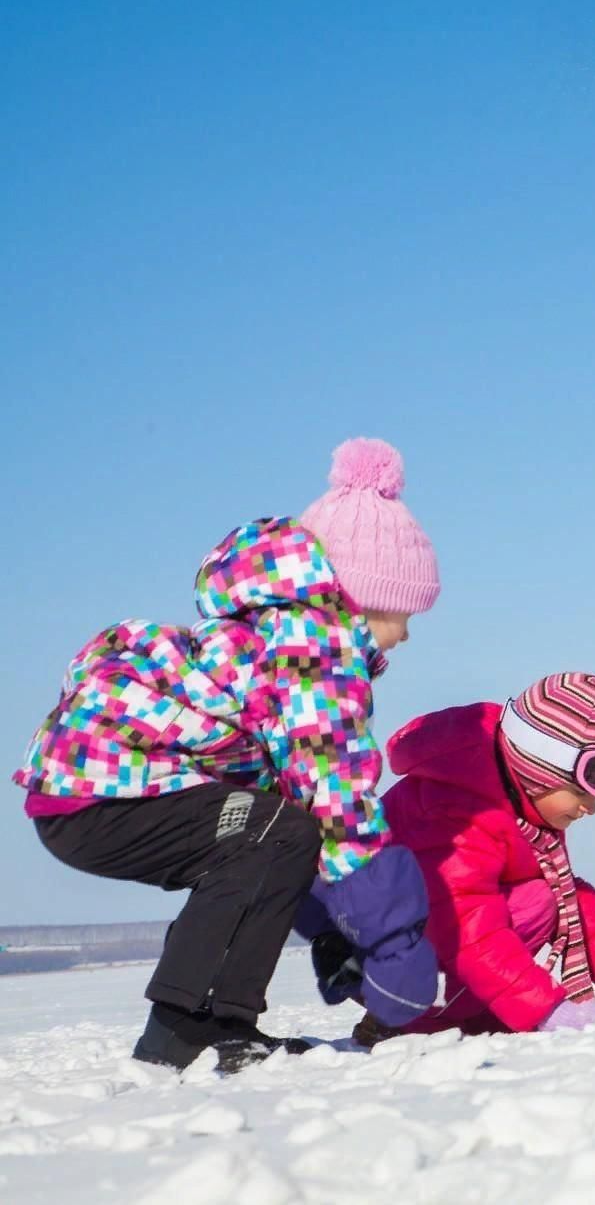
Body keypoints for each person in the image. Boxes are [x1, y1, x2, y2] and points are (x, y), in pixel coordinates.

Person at [15, 438, 441, 1071]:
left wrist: (331, 933)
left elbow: (295, 831)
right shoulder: (312, 650)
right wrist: (395, 949)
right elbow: (340, 803)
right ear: (360, 595)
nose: (406, 633)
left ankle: (222, 1023)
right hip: (103, 800)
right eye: (403, 612)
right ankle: (186, 1029)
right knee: (277, 828)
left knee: (276, 829)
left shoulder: (276, 638)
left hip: (97, 798)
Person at [345, 672, 595, 1040]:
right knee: (534, 902)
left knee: (542, 896)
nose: (591, 808)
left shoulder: (521, 803)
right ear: (540, 770)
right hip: (377, 953)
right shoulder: (458, 813)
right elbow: (467, 923)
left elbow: (567, 897)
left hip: (423, 940)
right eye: (582, 792)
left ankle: (470, 1016)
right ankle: (407, 1021)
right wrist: (550, 1011)